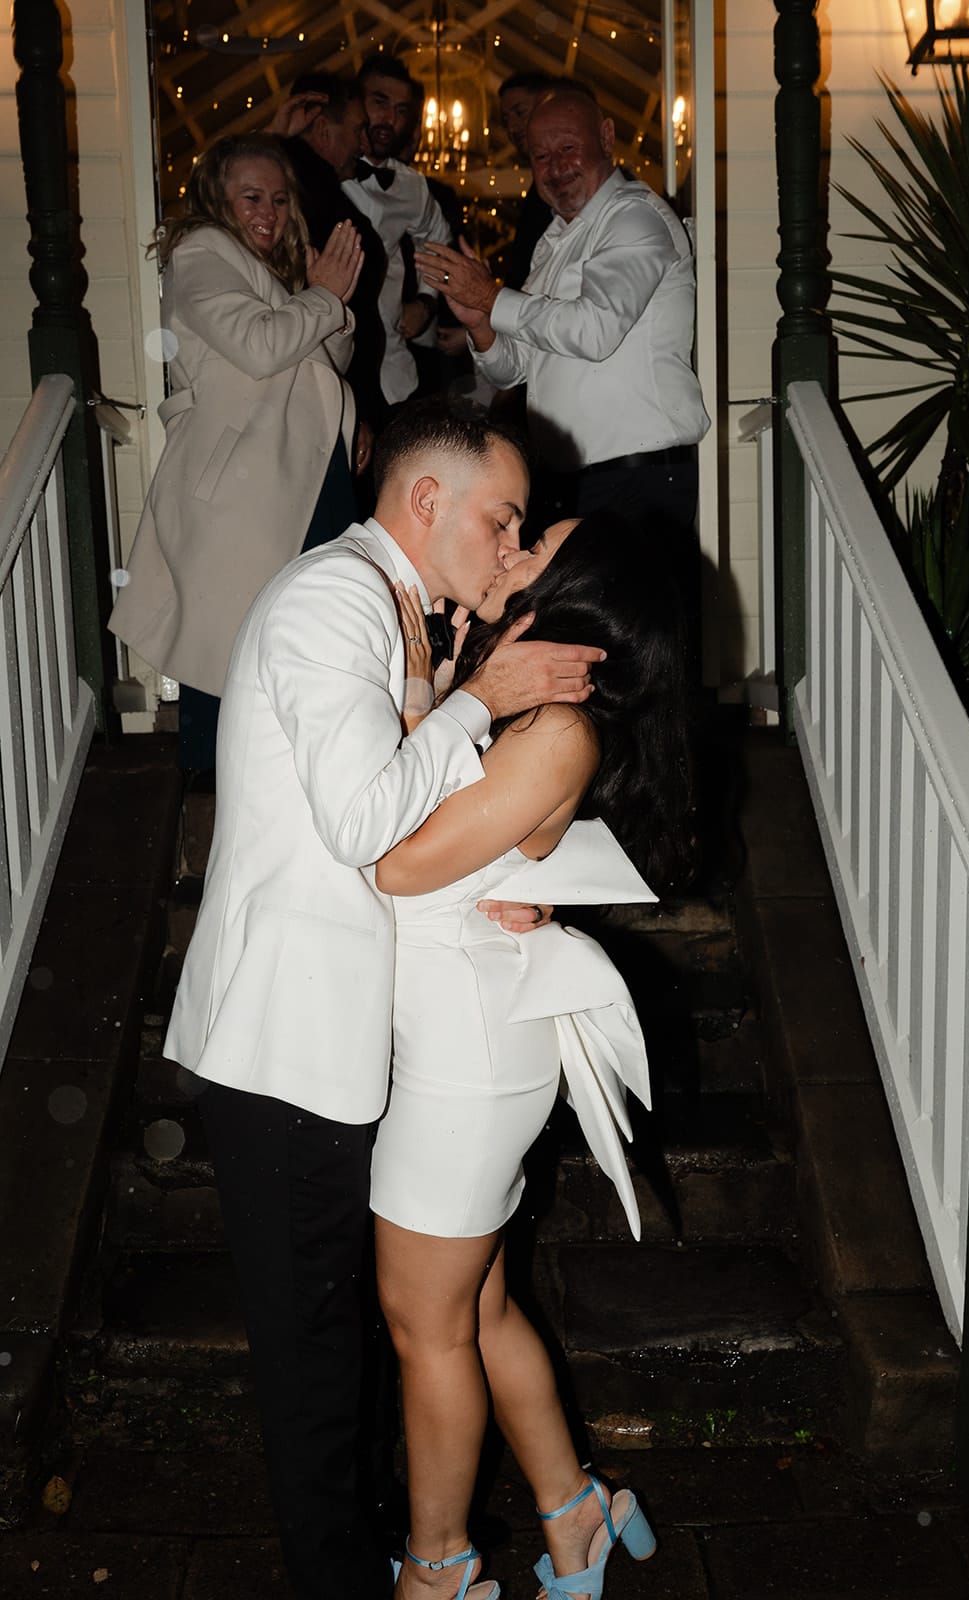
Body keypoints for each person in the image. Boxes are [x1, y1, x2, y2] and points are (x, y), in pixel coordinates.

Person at [162, 397, 607, 1600]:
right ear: (426, 500)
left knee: (339, 1346)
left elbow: (424, 810)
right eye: (500, 518)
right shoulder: (335, 599)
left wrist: (514, 876)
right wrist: (476, 699)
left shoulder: (392, 612)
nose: (506, 544)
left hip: (335, 1038)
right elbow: (366, 821)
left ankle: (407, 1556)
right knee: (314, 1370)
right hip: (286, 1040)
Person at [372, 510, 694, 1600]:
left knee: (424, 1327)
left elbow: (396, 863)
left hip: (465, 1059)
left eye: (535, 547)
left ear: (578, 592)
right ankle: (573, 1512)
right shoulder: (527, 711)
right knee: (476, 1309)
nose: (508, 553)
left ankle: (439, 1569)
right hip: (457, 1035)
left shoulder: (555, 729)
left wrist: (441, 695)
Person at [109, 133, 363, 768]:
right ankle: (212, 800)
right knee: (228, 651)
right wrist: (323, 297)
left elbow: (327, 358)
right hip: (245, 489)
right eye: (252, 197)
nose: (268, 212)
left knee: (302, 636)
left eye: (278, 199)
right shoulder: (203, 249)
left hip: (295, 479)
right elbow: (259, 345)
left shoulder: (269, 271)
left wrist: (324, 298)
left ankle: (289, 788)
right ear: (216, 198)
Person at [415, 85, 709, 534]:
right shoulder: (554, 240)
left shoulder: (634, 217)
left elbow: (594, 332)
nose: (555, 168)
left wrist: (491, 298)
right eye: (540, 156)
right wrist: (481, 324)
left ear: (606, 138)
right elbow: (513, 369)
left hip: (639, 478)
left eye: (568, 148)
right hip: (579, 483)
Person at [268, 75, 390, 481]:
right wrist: (348, 411)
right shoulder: (302, 193)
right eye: (357, 130)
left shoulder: (313, 186)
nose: (364, 144)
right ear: (322, 129)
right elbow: (308, 314)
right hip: (328, 404)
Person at [345, 54, 453, 409]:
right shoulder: (324, 173)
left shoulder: (412, 186)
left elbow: (438, 239)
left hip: (394, 371)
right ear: (356, 103)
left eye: (401, 110)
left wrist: (425, 301)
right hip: (333, 366)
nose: (390, 119)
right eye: (380, 102)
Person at [497, 70, 555, 289]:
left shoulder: (565, 183)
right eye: (505, 120)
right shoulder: (538, 189)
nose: (512, 128)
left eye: (520, 112)